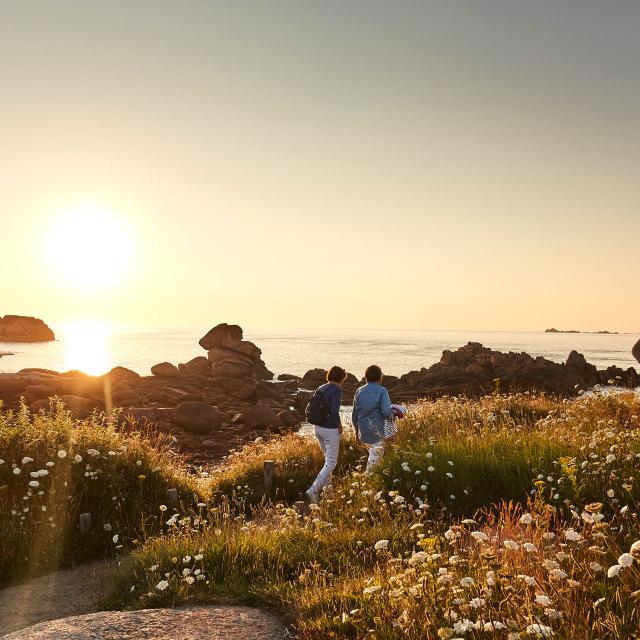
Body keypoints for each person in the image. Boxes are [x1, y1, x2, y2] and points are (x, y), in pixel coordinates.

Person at [305, 365, 347, 504]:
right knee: (331, 462)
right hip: (329, 429)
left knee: (327, 461)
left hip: (317, 428)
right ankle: (313, 490)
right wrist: (340, 426)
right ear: (341, 378)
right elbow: (334, 411)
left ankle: (328, 493)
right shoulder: (336, 390)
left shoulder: (321, 387)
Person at [352, 364, 394, 472]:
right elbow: (386, 413)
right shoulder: (382, 391)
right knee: (373, 467)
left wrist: (356, 434)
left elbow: (354, 416)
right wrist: (394, 413)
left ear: (366, 376)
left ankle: (374, 485)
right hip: (377, 433)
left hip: (363, 433)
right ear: (380, 377)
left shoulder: (359, 391)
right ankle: (363, 485)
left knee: (375, 460)